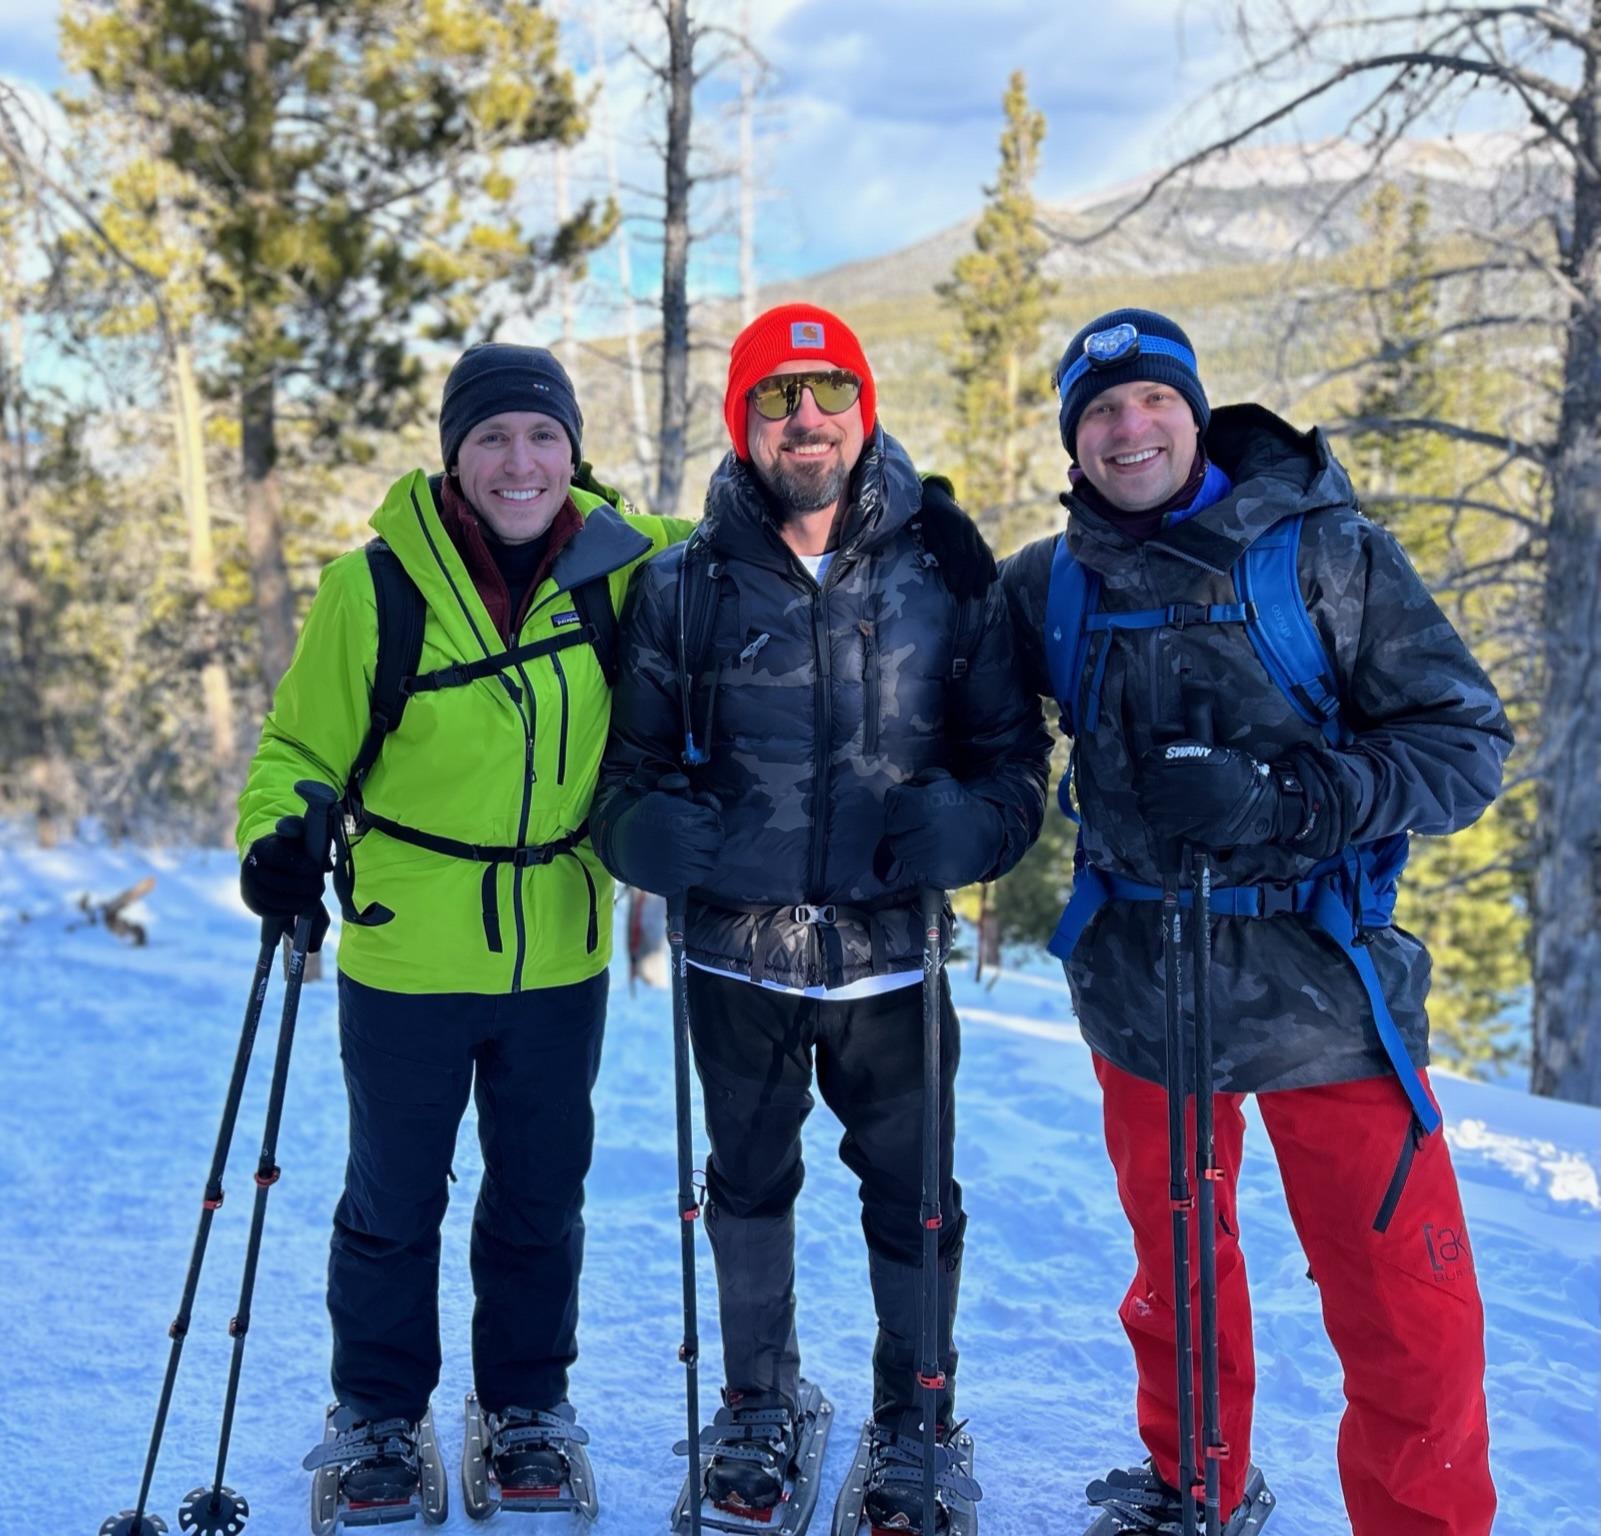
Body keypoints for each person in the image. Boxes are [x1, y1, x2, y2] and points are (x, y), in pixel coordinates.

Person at [999, 308, 1511, 1536]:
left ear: (1192, 409)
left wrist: (1284, 798)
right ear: (1075, 443)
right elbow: (970, 726)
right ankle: (1195, 1486)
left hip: (1320, 983)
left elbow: (1463, 747)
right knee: (1174, 1279)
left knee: (1400, 1298)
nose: (1129, 430)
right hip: (1138, 982)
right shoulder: (1048, 582)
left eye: (1149, 402)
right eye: (1100, 412)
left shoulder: (1322, 557)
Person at [590, 303, 1051, 1532]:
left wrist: (975, 829)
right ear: (742, 423)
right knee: (744, 1183)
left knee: (915, 1197)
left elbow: (1016, 774)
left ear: (865, 408)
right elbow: (622, 775)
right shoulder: (678, 587)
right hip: (733, 956)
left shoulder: (948, 574)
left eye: (829, 392)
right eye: (777, 397)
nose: (808, 419)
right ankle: (756, 1402)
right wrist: (635, 835)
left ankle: (914, 1419)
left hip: (891, 961)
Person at [236, 344, 690, 1526]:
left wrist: (894, 515)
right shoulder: (373, 590)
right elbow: (298, 751)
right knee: (394, 1201)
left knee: (541, 1196)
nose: (519, 461)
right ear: (453, 457)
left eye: (540, 435)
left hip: (561, 946)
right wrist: (280, 837)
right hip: (406, 953)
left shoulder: (620, 568)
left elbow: (753, 542)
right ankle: (379, 1416)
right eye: (490, 438)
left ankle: (524, 1406)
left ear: (571, 448)